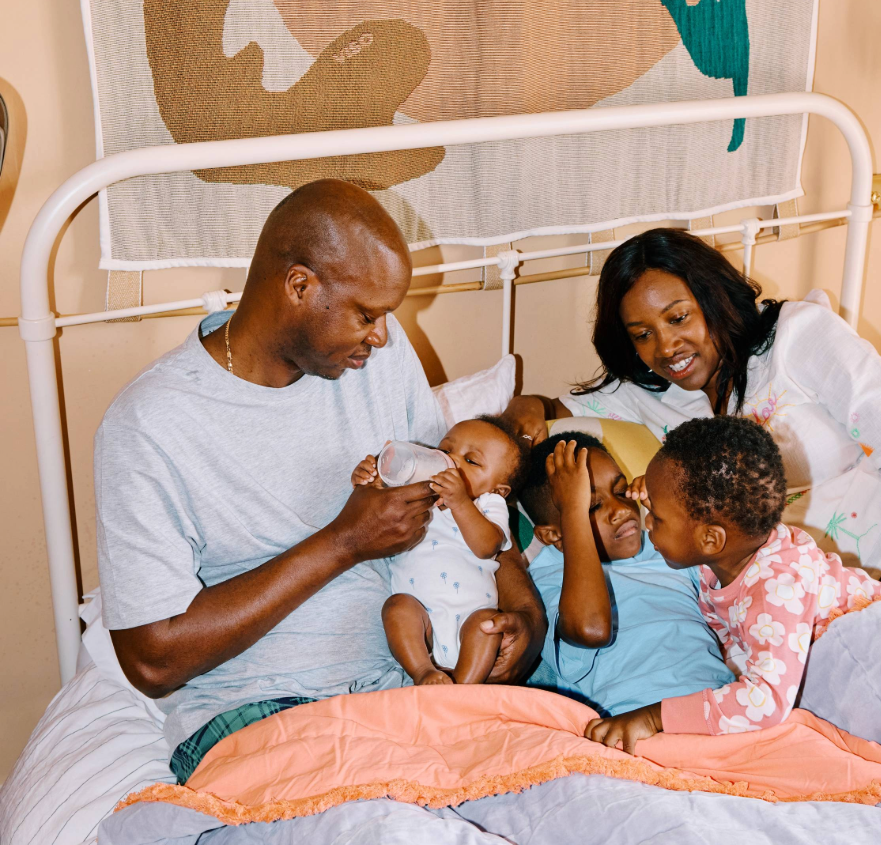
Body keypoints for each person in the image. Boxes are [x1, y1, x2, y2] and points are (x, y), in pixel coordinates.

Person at [94, 179, 544, 780]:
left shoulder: (379, 358)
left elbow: (465, 506)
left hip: (416, 685)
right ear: (300, 286)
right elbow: (151, 660)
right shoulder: (151, 425)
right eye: (367, 315)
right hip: (261, 711)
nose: (382, 336)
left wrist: (526, 618)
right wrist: (344, 542)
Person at [505, 228, 881, 636]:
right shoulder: (647, 395)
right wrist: (515, 417)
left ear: (713, 297)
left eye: (678, 318)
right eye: (642, 334)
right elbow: (546, 409)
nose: (665, 347)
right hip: (852, 581)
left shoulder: (797, 337)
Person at [587, 416, 881, 754]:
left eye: (656, 517)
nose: (646, 522)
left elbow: (765, 703)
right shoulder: (724, 558)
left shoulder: (775, 588)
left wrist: (654, 717)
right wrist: (662, 496)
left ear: (710, 538)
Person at [516, 433, 735, 716]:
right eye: (592, 506)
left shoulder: (666, 547)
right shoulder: (549, 574)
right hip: (629, 716)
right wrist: (573, 509)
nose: (620, 510)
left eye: (620, 492)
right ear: (554, 534)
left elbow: (737, 578)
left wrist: (673, 512)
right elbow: (590, 629)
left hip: (717, 707)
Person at [352, 417, 529, 685]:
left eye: (471, 461)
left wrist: (459, 502)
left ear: (498, 489)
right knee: (397, 607)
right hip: (422, 626)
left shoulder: (488, 504)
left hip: (471, 623)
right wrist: (371, 480)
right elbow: (375, 508)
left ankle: (464, 688)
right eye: (446, 451)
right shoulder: (418, 495)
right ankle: (423, 672)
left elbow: (487, 546)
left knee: (488, 623)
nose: (452, 462)